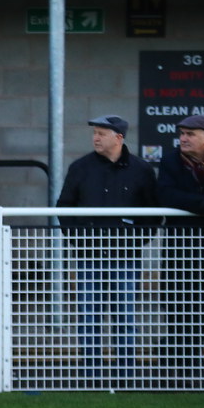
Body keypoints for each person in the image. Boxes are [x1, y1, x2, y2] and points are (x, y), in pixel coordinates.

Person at [55, 114, 157, 378]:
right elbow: (64, 208)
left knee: (125, 313)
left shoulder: (141, 169)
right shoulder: (80, 168)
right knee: (89, 314)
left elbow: (154, 215)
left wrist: (133, 241)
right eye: (95, 133)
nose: (95, 138)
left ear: (119, 138)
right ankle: (91, 372)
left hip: (126, 257)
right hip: (89, 256)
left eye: (102, 133)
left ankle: (126, 373)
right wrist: (81, 240)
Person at [156, 114, 204, 384]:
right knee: (176, 305)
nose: (183, 138)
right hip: (179, 245)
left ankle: (181, 363)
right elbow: (166, 194)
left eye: (190, 134)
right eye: (182, 133)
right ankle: (177, 371)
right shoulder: (171, 160)